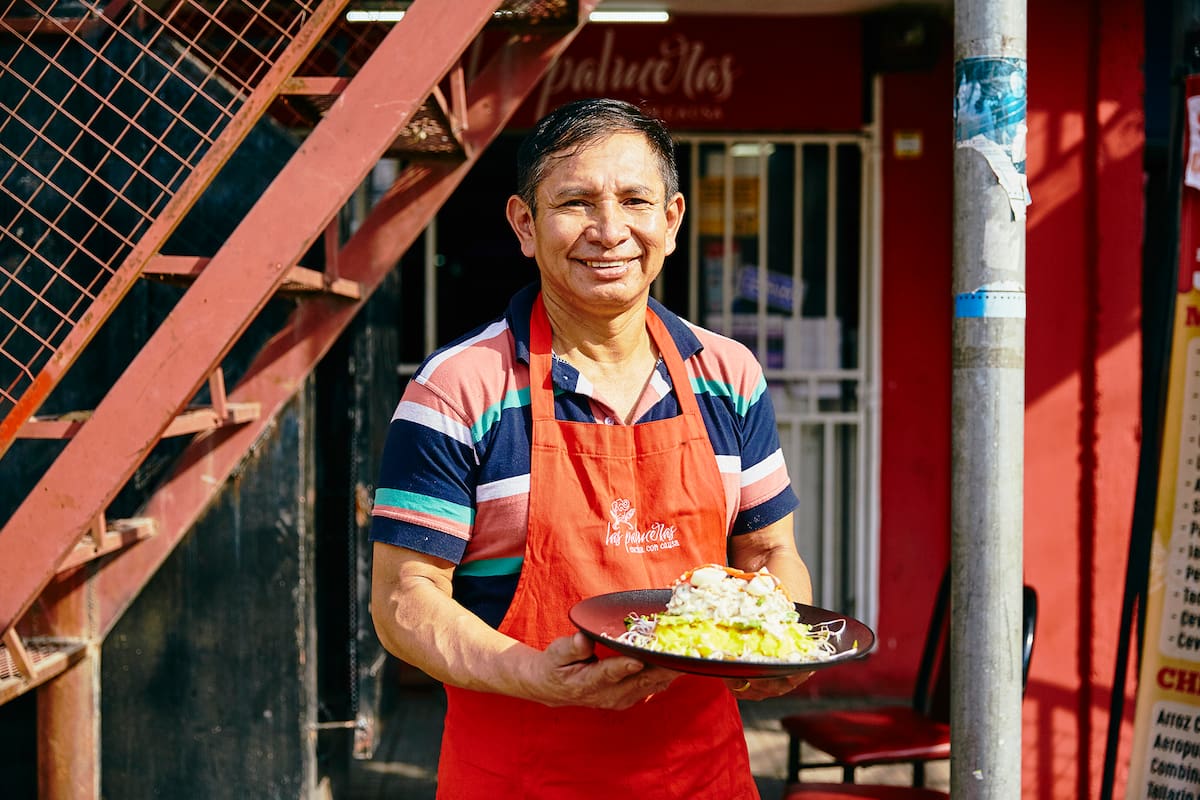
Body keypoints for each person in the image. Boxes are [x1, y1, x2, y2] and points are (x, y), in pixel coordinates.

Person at [369, 97, 813, 800]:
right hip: (519, 779)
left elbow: (767, 555)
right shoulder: (460, 388)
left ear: (671, 220)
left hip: (699, 779)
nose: (610, 231)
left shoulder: (729, 376)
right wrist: (532, 675)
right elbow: (403, 600)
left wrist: (777, 640)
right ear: (525, 224)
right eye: (575, 201)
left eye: (635, 200)